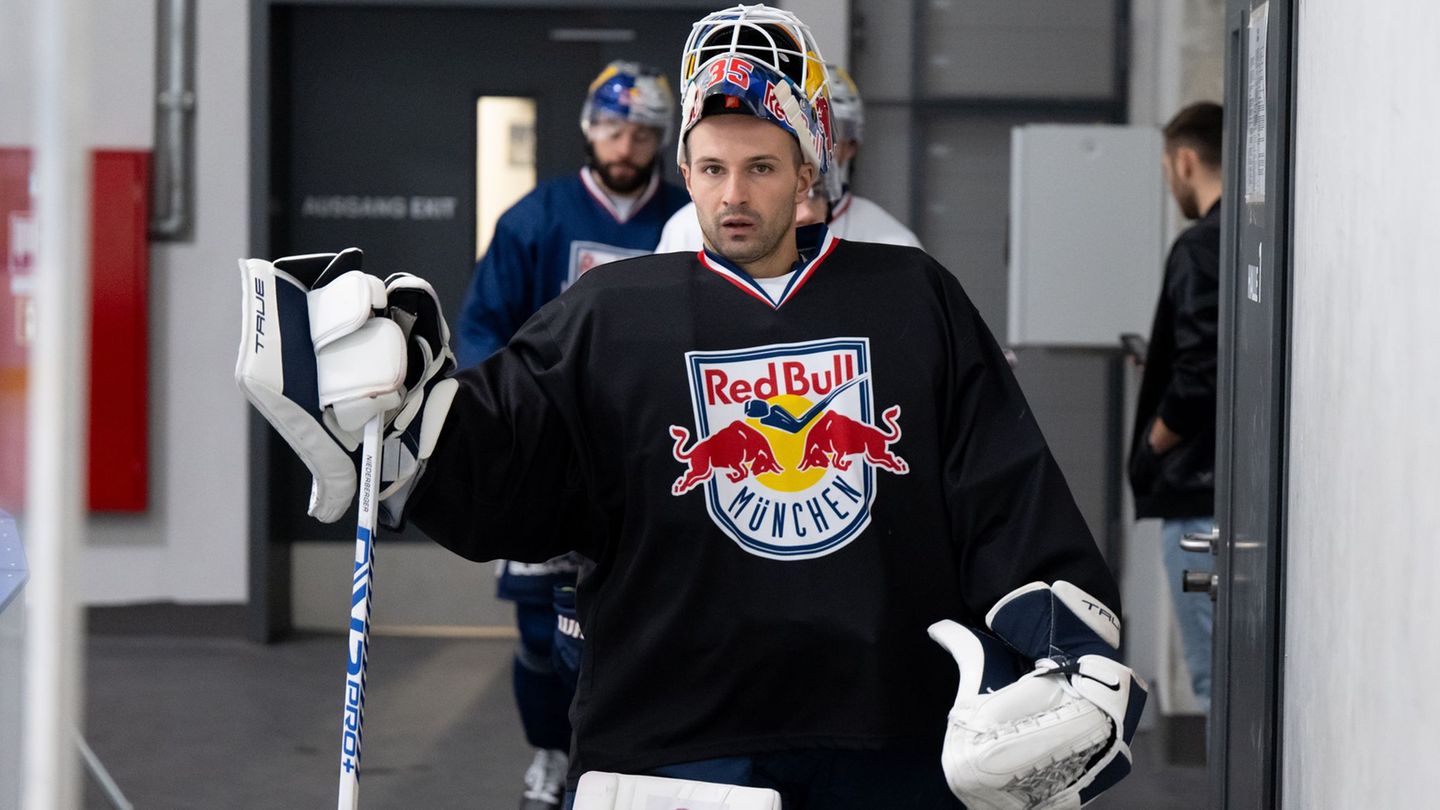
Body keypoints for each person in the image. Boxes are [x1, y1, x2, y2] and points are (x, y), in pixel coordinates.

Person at [237, 6, 1145, 809]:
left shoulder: (912, 296)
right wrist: (401, 411)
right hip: (679, 736)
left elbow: (1001, 485)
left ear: (808, 169)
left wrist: (1067, 642)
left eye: (761, 166)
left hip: (891, 726)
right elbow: (505, 462)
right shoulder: (612, 312)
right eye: (710, 168)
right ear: (686, 166)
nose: (733, 195)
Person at [454, 60, 690, 809]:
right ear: (590, 129)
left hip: (655, 456)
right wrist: (511, 427)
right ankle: (552, 755)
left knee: (654, 620)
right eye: (614, 128)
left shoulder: (686, 219)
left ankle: (640, 759)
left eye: (643, 132)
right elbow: (483, 332)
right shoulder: (535, 218)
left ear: (662, 139)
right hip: (554, 458)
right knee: (539, 628)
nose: (626, 144)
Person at [1128, 101, 1223, 717]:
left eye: (1169, 167)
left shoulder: (1197, 247)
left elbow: (1201, 369)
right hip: (1229, 488)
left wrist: (1154, 443)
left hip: (1194, 496)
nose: (1171, 183)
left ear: (1185, 160)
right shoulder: (1252, 236)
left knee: (1216, 681)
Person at [653, 62, 920, 252]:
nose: (813, 147)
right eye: (798, 132)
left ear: (851, 146)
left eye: (827, 136)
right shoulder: (687, 227)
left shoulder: (892, 243)